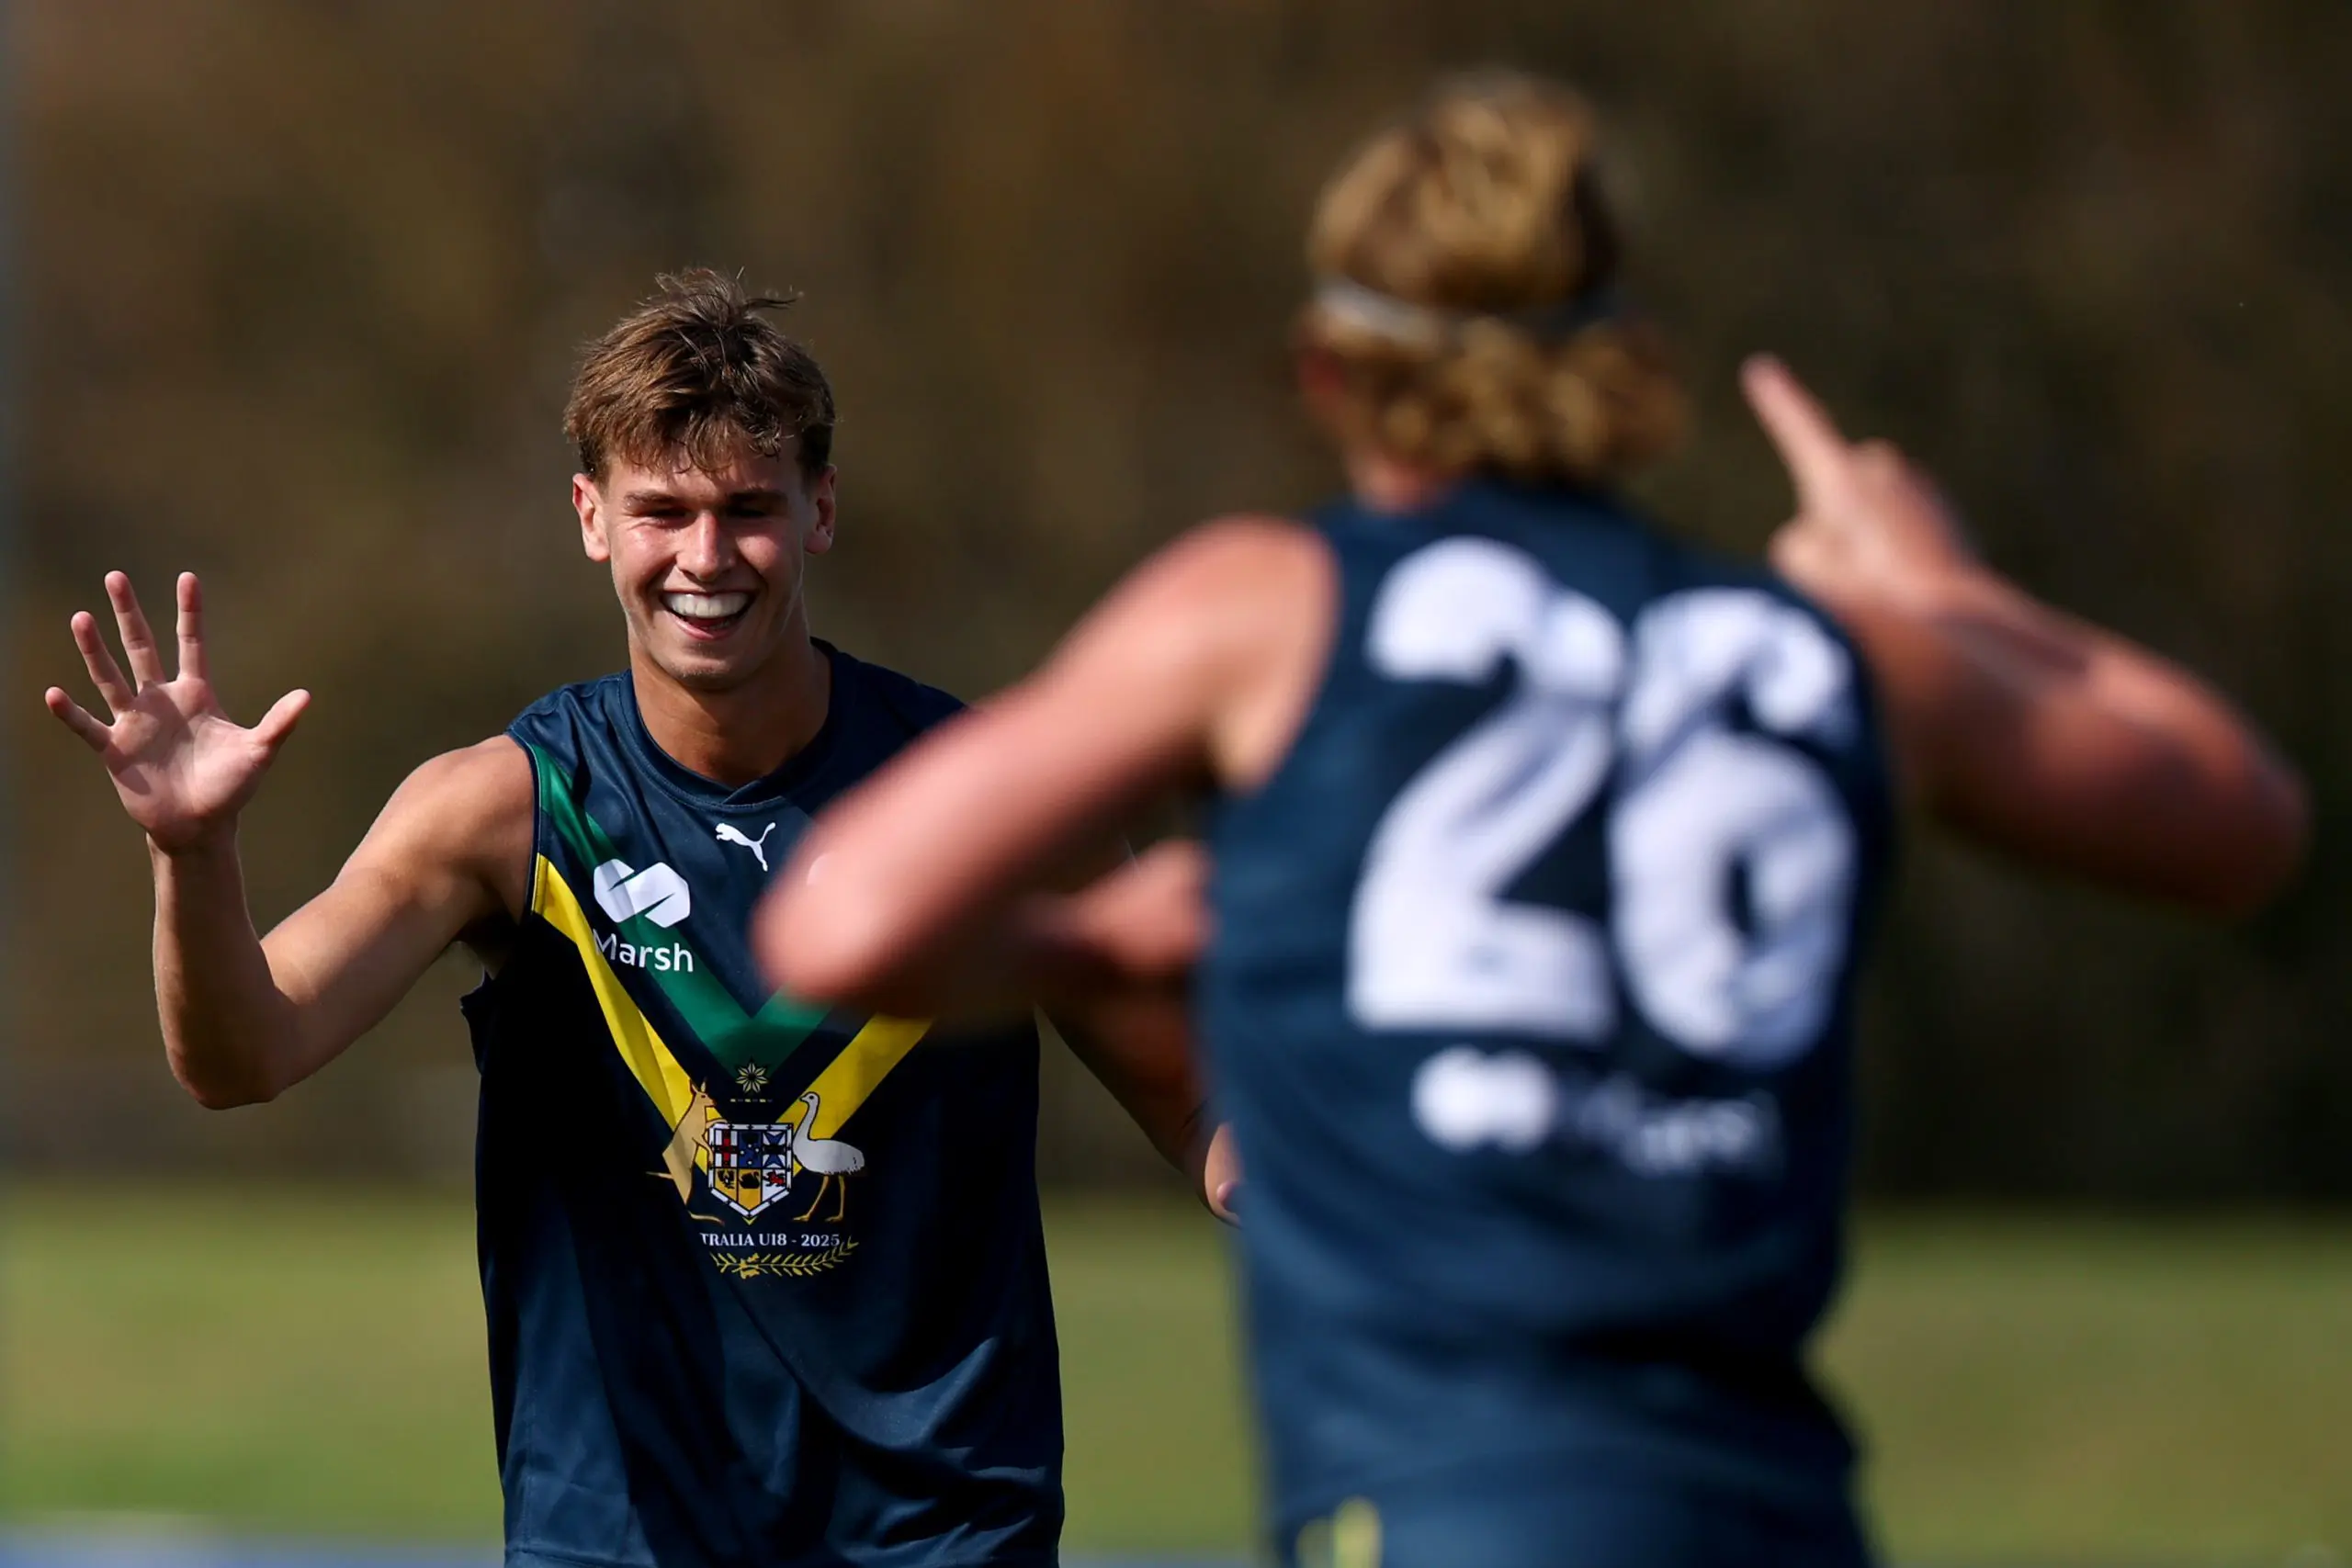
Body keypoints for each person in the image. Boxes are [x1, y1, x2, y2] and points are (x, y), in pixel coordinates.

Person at [748, 76, 2310, 1568]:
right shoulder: (1831, 652)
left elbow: (842, 919)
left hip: (1448, 1501)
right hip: (1772, 1511)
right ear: (1629, 359)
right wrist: (1945, 597)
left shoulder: (1274, 612)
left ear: (1332, 372)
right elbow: (2240, 818)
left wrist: (1107, 937)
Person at [44, 269, 1219, 1568]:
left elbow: (1202, 1107)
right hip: (619, 1538)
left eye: (747, 510)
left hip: (942, 1532)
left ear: (820, 509)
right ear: (591, 516)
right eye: (662, 511)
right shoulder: (503, 810)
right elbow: (242, 1054)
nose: (704, 558)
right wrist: (194, 852)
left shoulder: (985, 795)